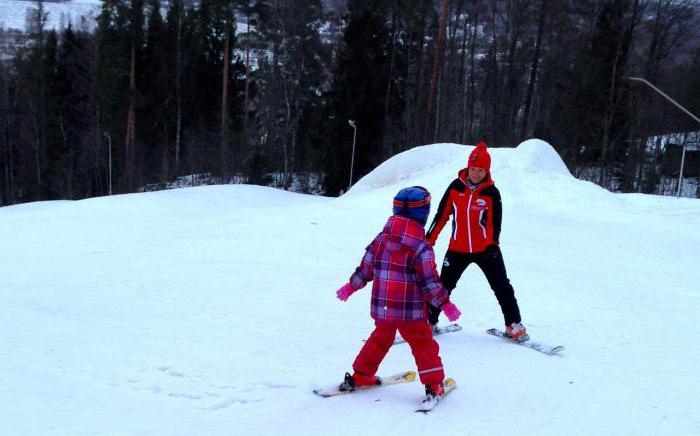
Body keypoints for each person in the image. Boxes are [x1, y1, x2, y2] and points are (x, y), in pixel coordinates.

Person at [335, 186, 461, 398]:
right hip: (410, 311)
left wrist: (351, 286)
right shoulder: (421, 246)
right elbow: (430, 282)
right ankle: (434, 384)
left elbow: (366, 267)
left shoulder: (381, 239)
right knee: (423, 343)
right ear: (424, 214)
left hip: (383, 308)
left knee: (380, 338)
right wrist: (445, 304)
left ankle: (361, 374)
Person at [425, 142, 527, 341]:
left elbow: (494, 223)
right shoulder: (455, 188)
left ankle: (513, 324)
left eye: (481, 170)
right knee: (442, 286)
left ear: (486, 171)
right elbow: (441, 215)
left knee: (502, 286)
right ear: (467, 168)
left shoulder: (491, 193)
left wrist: (492, 244)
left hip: (485, 249)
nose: (476, 173)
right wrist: (429, 239)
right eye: (473, 169)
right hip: (457, 249)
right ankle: (429, 322)